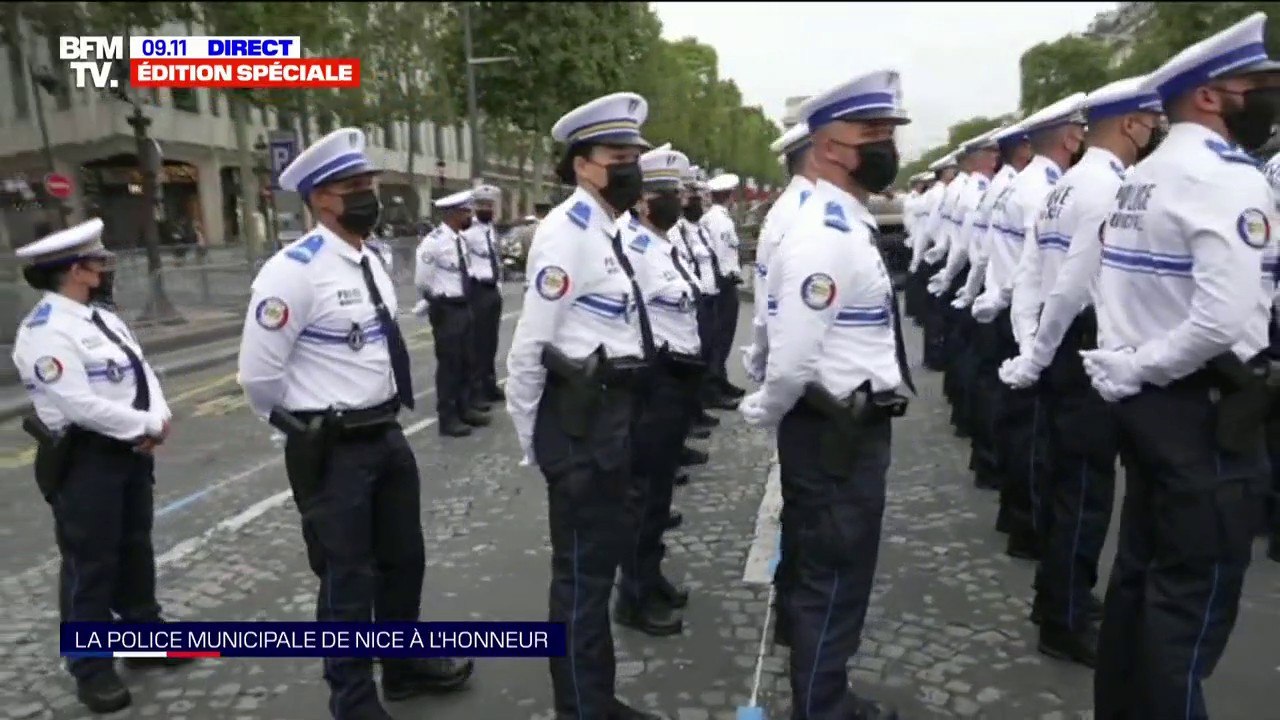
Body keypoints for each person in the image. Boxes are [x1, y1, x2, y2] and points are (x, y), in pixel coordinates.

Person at [1079, 14, 1280, 718]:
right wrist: (1142, 368)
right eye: (1256, 86)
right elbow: (1223, 320)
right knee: (1189, 611)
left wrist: (1129, 367)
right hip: (1206, 410)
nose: (1268, 99)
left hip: (1154, 407)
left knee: (1140, 584)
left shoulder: (1144, 175)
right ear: (1209, 95)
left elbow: (1112, 284)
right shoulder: (1226, 179)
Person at [237, 127, 473, 720]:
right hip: (333, 446)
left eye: (369, 184)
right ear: (321, 199)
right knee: (348, 579)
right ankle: (353, 699)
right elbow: (258, 377)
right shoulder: (292, 272)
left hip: (385, 432)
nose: (369, 197)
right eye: (354, 188)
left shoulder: (371, 258)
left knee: (404, 561)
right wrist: (306, 432)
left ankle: (402, 667)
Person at [740, 68, 913, 720]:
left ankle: (821, 695)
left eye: (889, 132)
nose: (885, 145)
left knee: (831, 572)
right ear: (828, 147)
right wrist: (764, 407)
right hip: (837, 431)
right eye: (871, 133)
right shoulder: (824, 234)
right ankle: (821, 706)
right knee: (834, 578)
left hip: (842, 425)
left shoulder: (839, 220)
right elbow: (792, 358)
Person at [505, 91, 664, 720]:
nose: (630, 168)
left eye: (633, 157)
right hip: (578, 428)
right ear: (582, 165)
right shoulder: (567, 235)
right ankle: (580, 707)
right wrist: (535, 440)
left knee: (595, 573)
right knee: (580, 580)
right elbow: (530, 347)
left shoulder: (604, 230)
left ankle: (595, 697)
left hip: (607, 422)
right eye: (616, 157)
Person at [996, 76, 1164, 667]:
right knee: (1086, 492)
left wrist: (1031, 345)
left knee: (1063, 480)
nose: (1155, 132)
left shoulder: (1064, 185)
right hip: (1083, 341)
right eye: (1151, 123)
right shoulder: (1108, 187)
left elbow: (1031, 274)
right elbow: (1071, 283)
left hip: (1061, 343)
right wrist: (1039, 352)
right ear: (1130, 125)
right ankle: (1065, 617)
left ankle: (1058, 597)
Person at [12, 219, 187, 714]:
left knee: (135, 548)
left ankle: (144, 637)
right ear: (76, 271)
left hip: (128, 452)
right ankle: (90, 667)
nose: (106, 269)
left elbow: (141, 370)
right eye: (98, 262)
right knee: (90, 564)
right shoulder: (45, 331)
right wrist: (145, 424)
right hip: (85, 460)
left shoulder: (101, 318)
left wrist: (158, 417)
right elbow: (78, 405)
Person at [973, 91, 1087, 559]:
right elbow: (1036, 267)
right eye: (1080, 131)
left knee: (1020, 422)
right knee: (1034, 432)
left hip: (1014, 309)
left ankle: (1017, 513)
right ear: (1067, 138)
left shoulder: (1021, 184)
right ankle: (1028, 525)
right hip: (1033, 316)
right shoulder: (1044, 188)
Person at [614, 144, 701, 638]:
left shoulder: (661, 244)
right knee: (642, 495)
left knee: (660, 492)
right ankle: (633, 595)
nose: (679, 200)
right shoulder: (632, 248)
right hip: (654, 381)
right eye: (667, 194)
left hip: (676, 380)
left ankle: (651, 575)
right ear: (643, 201)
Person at [955, 122, 1034, 492]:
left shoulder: (1001, 188)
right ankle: (997, 467)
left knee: (990, 384)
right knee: (1012, 403)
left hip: (997, 294)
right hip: (1012, 301)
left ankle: (989, 462)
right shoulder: (1015, 188)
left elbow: (984, 249)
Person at [742, 122, 815, 385]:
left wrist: (760, 353)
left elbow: (765, 298)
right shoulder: (812, 210)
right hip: (815, 360)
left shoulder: (783, 209)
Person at [416, 190, 492, 437]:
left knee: (468, 360)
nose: (470, 216)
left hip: (464, 304)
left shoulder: (459, 240)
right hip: (447, 308)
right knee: (450, 364)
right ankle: (447, 417)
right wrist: (437, 300)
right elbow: (422, 280)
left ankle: (465, 407)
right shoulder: (434, 242)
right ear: (453, 214)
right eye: (465, 212)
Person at [702, 173, 747, 399]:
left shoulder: (714, 217)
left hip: (722, 280)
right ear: (730, 196)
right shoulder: (720, 220)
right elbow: (720, 251)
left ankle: (720, 378)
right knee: (720, 335)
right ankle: (713, 384)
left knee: (721, 335)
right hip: (723, 282)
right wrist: (724, 278)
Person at [465, 183, 507, 404]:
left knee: (491, 341)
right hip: (478, 289)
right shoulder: (468, 232)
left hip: (492, 289)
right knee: (477, 342)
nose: (486, 209)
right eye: (482, 205)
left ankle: (489, 384)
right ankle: (476, 389)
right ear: (474, 206)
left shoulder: (490, 230)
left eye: (489, 205)